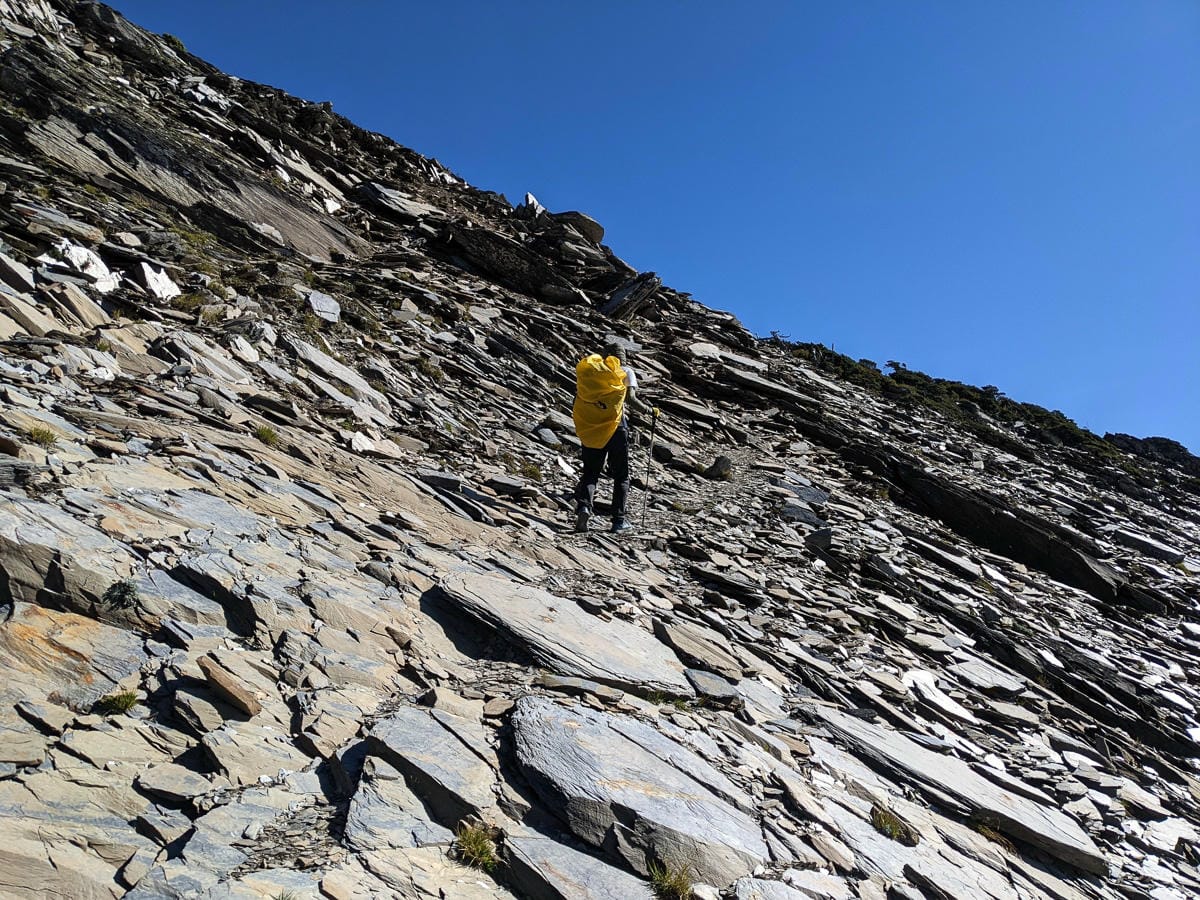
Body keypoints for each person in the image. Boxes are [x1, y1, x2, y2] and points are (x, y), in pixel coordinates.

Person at [572, 342, 641, 534]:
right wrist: (650, 411)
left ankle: (584, 508)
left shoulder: (591, 372)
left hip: (592, 428)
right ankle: (618, 521)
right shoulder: (626, 371)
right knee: (621, 476)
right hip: (616, 428)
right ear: (622, 356)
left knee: (591, 472)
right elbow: (631, 399)